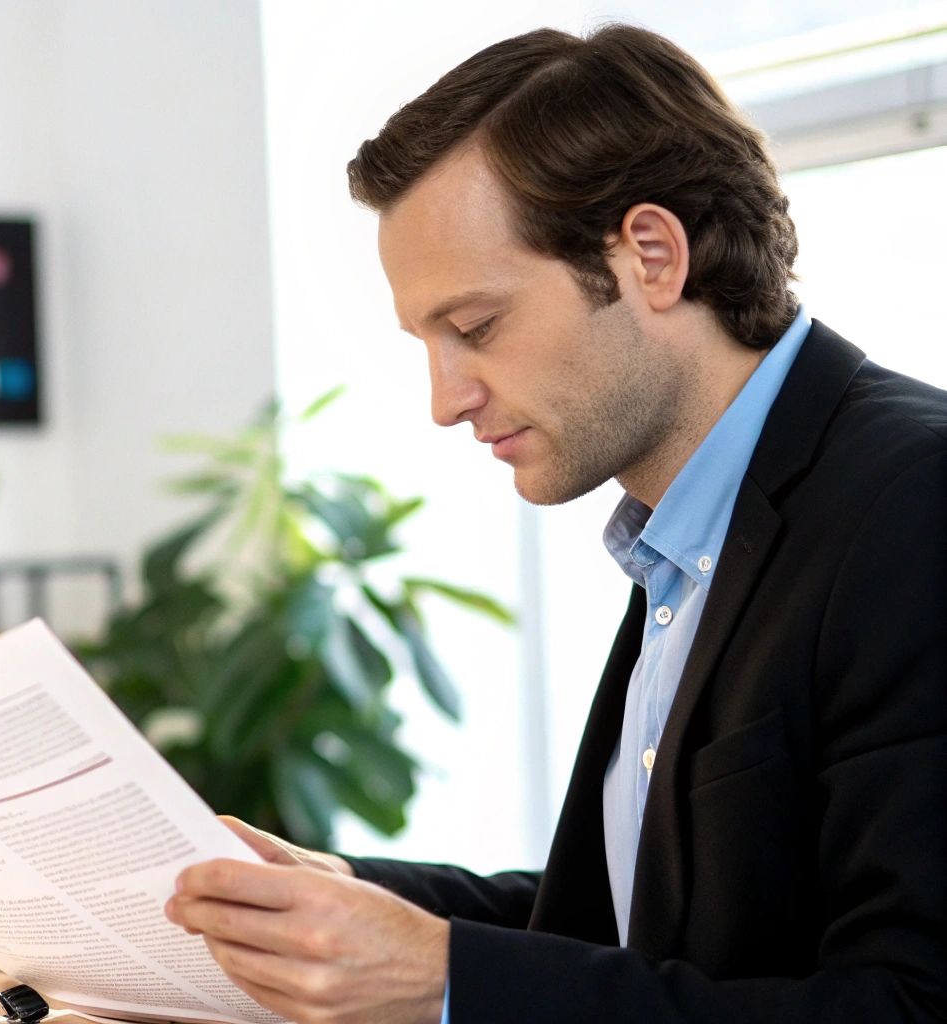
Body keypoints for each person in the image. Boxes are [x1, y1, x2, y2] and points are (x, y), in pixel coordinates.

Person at [162, 23, 947, 1024]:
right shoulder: (688, 538)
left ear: (650, 257)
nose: (445, 399)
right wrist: (345, 898)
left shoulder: (911, 500)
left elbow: (908, 1006)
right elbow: (632, 931)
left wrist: (449, 981)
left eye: (476, 327)